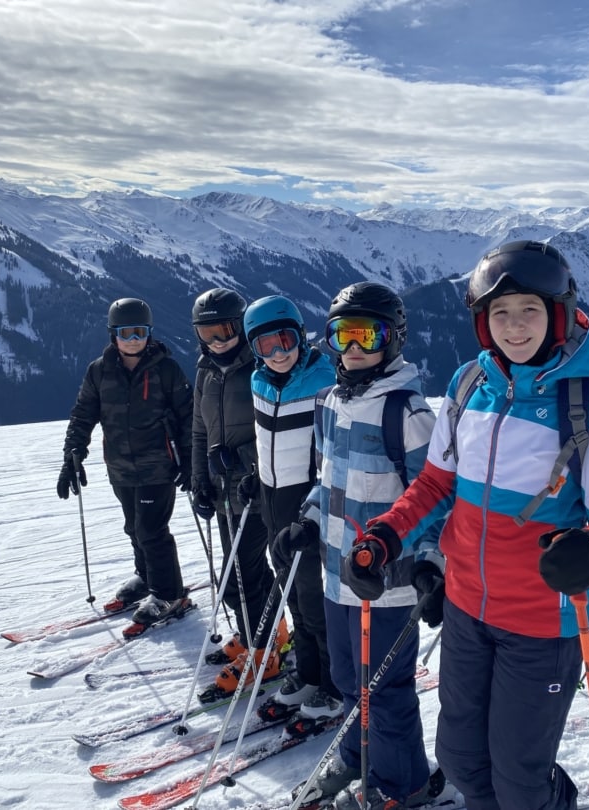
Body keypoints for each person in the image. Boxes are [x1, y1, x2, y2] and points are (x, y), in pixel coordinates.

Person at [342, 241, 589, 810]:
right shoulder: (467, 386)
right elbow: (435, 484)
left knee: (520, 781)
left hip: (541, 622)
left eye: (529, 309)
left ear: (557, 314)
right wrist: (385, 534)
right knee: (460, 759)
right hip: (466, 609)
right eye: (500, 312)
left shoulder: (587, 403)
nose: (515, 326)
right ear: (483, 321)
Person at [278, 282, 443, 809]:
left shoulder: (407, 413)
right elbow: (328, 478)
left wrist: (431, 563)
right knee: (347, 678)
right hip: (335, 574)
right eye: (341, 335)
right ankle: (355, 754)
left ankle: (402, 785)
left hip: (387, 584)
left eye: (366, 335)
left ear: (393, 339)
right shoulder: (329, 401)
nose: (352, 348)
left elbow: (437, 498)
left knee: (385, 690)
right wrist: (308, 521)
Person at [56, 297, 195, 626]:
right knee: (133, 527)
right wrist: (72, 454)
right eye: (125, 333)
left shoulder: (166, 369)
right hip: (119, 465)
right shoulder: (99, 371)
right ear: (113, 334)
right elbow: (83, 414)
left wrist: (191, 459)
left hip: (159, 465)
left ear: (149, 333)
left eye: (140, 332)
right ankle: (146, 576)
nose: (133, 340)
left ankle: (169, 593)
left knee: (151, 530)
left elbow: (189, 415)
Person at [238, 295, 342, 724]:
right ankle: (309, 673)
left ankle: (333, 683)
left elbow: (331, 456)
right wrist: (256, 476)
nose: (279, 353)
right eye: (266, 345)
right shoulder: (259, 382)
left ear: (301, 335)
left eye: (285, 340)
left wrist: (313, 512)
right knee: (293, 597)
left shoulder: (324, 383)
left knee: (315, 601)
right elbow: (266, 438)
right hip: (272, 503)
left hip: (307, 511)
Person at [189, 287, 288, 694]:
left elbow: (280, 429)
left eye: (225, 331)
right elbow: (199, 430)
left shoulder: (261, 369)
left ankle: (263, 654)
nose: (217, 341)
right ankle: (270, 633)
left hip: (256, 489)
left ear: (241, 328)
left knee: (240, 578)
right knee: (246, 573)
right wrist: (199, 479)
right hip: (221, 490)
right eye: (207, 333)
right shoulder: (206, 372)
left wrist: (241, 457)